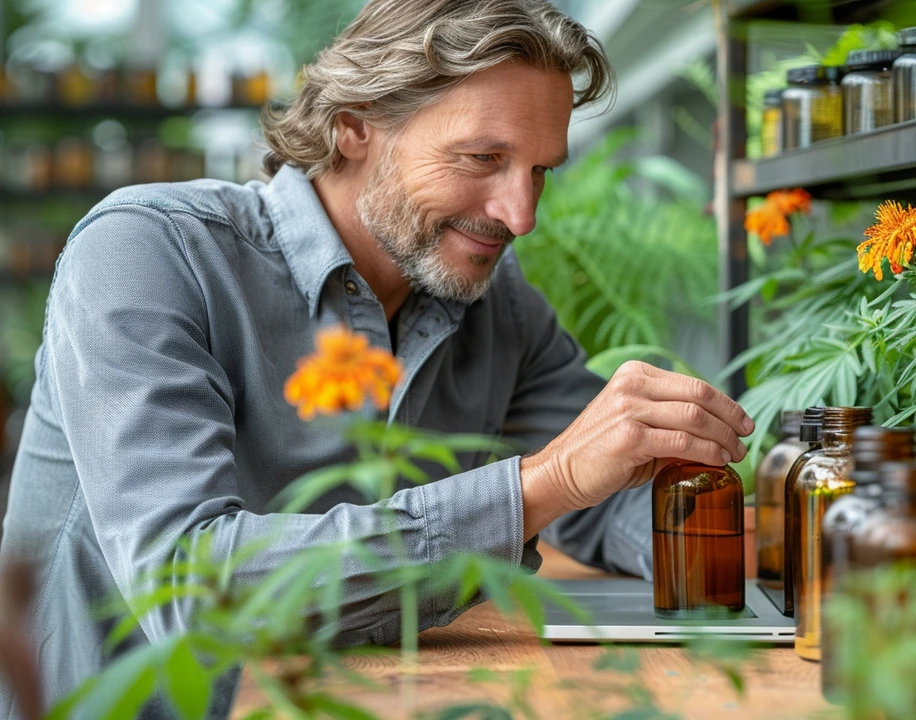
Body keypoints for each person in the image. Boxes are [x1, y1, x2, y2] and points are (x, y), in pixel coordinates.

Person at [0, 0, 753, 715]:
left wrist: (759, 542)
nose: (520, 214)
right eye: (482, 157)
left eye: (540, 171)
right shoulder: (149, 253)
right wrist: (542, 484)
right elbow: (194, 589)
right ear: (354, 128)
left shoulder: (498, 305)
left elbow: (613, 497)